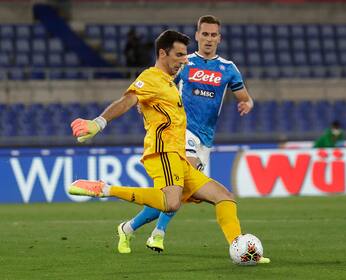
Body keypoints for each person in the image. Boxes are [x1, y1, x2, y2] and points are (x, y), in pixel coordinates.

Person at [69, 30, 269, 264]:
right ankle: (105, 189)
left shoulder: (169, 82)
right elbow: (128, 100)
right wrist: (98, 123)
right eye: (179, 55)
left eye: (185, 55)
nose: (184, 60)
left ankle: (241, 249)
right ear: (163, 53)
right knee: (171, 202)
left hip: (179, 156)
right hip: (163, 151)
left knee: (224, 197)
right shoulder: (151, 78)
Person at [121, 15, 255, 255]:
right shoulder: (184, 63)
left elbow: (244, 96)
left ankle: (129, 227)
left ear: (219, 38)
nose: (209, 39)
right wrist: (143, 102)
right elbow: (159, 84)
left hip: (205, 140)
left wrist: (247, 103)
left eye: (213, 35)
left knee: (176, 194)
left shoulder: (228, 69)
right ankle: (158, 234)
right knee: (178, 189)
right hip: (181, 133)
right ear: (197, 36)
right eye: (204, 34)